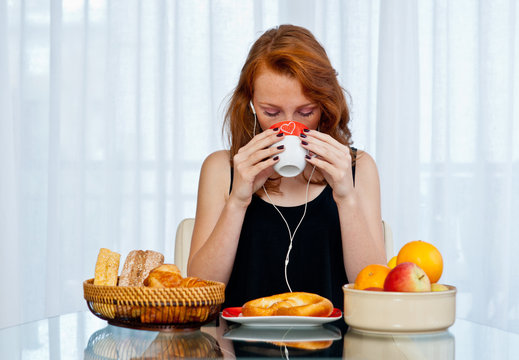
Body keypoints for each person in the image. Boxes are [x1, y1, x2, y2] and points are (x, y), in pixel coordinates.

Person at [187, 24, 386, 311]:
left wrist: (345, 196)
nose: (290, 125)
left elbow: (372, 291)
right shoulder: (221, 169)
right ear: (251, 105)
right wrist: (238, 200)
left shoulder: (358, 168)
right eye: (271, 112)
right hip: (237, 349)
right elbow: (199, 294)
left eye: (306, 112)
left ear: (326, 106)